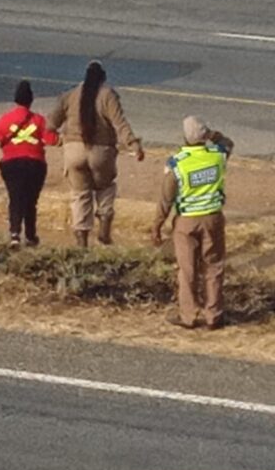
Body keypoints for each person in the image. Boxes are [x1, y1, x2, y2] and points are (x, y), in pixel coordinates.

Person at [48, 60, 144, 247]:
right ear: (103, 78)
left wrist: (61, 141)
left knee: (80, 195)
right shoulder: (108, 95)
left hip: (73, 152)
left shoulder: (69, 95)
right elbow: (120, 124)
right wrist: (134, 145)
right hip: (101, 152)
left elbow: (50, 126)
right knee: (105, 189)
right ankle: (104, 232)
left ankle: (82, 243)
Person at [152, 116, 233, 330]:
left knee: (187, 269)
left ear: (184, 138)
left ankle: (188, 316)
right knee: (213, 266)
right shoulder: (217, 156)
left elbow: (166, 200)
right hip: (213, 218)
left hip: (186, 222)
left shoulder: (177, 163)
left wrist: (157, 226)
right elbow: (228, 143)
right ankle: (213, 315)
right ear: (204, 137)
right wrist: (213, 135)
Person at [0, 80, 58, 248]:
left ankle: (14, 234)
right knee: (30, 201)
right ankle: (30, 235)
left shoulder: (4, 120)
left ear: (15, 100)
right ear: (31, 100)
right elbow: (51, 140)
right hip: (35, 165)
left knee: (15, 198)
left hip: (11, 164)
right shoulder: (39, 120)